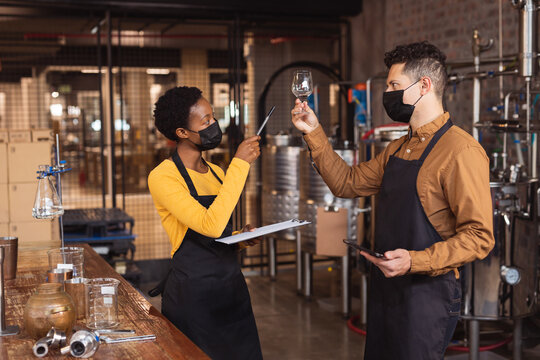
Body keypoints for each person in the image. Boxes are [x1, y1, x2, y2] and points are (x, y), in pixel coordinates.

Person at [290, 41, 495, 359]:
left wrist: (414, 261)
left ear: (424, 85)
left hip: (426, 297)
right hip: (387, 289)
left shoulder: (461, 151)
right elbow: (348, 183)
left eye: (394, 85)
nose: (388, 94)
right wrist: (314, 132)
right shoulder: (398, 148)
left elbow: (479, 238)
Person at [148, 86, 263, 360]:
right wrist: (240, 165)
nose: (214, 125)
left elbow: (217, 234)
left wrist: (240, 238)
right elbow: (208, 224)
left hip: (231, 291)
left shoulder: (217, 173)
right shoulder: (163, 177)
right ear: (182, 133)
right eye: (205, 121)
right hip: (193, 298)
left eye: (213, 117)